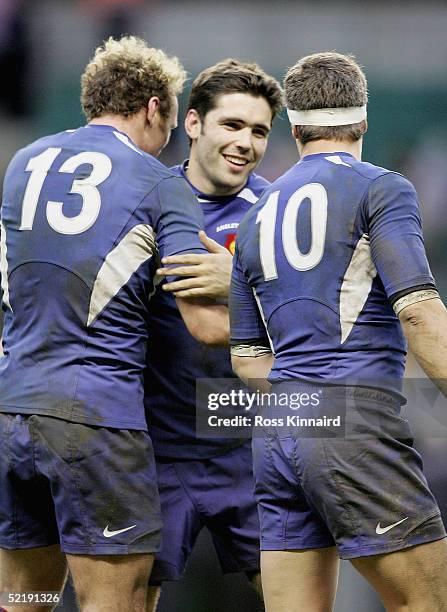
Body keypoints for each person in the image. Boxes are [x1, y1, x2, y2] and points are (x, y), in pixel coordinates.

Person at [0, 36, 228, 612]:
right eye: (170, 123)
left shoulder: (24, 161)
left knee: (23, 599)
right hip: (96, 423)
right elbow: (203, 324)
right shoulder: (159, 182)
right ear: (153, 107)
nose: (168, 140)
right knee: (114, 603)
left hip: (12, 413)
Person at [229, 52, 447, 611]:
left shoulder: (255, 213)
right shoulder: (383, 188)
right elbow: (419, 312)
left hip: (278, 433)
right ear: (364, 122)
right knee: (428, 600)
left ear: (294, 127)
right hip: (353, 421)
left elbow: (249, 359)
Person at [144, 59, 283, 610]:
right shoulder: (142, 202)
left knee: (294, 597)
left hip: (250, 448)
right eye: (232, 125)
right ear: (194, 123)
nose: (246, 143)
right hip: (153, 450)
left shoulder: (281, 214)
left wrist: (240, 286)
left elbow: (323, 333)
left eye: (259, 131)